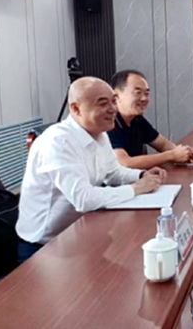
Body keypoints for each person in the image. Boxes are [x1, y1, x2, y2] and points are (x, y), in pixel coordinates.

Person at [16, 77, 165, 262]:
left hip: (79, 233)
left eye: (113, 101)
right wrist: (136, 188)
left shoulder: (100, 133)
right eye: (103, 103)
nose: (113, 109)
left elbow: (113, 173)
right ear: (76, 108)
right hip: (44, 247)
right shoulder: (58, 142)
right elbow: (84, 199)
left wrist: (142, 175)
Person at [108, 70, 193, 169]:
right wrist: (172, 155)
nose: (144, 98)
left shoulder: (137, 120)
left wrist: (186, 154)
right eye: (138, 93)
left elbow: (162, 144)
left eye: (146, 93)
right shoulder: (108, 123)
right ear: (116, 96)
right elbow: (125, 163)